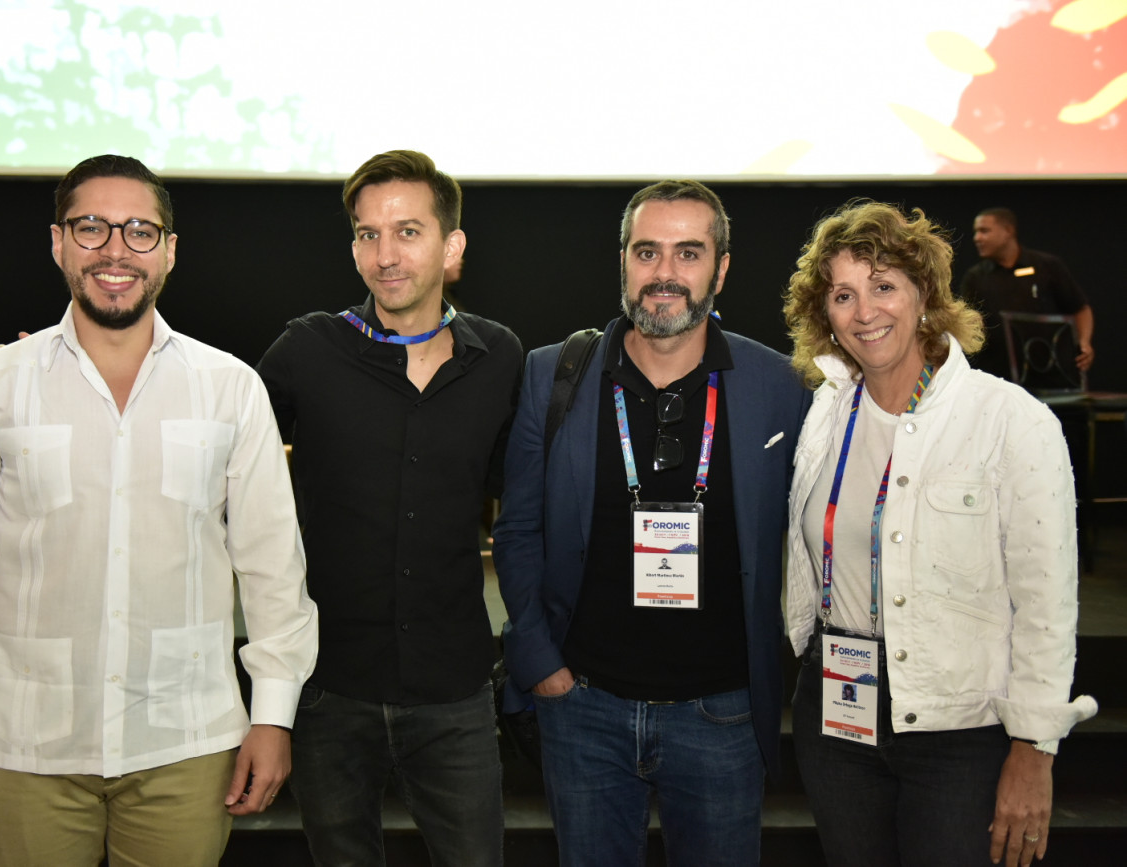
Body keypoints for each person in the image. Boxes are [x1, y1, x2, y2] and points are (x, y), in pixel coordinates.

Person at [0, 155, 318, 866]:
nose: (116, 250)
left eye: (140, 231)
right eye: (92, 227)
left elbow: (274, 566)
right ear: (59, 243)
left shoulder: (231, 389)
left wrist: (273, 715)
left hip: (186, 741)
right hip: (24, 747)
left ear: (169, 251)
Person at [493, 179, 811, 866]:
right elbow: (517, 530)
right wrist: (541, 664)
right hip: (584, 707)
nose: (665, 273)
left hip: (722, 713)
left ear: (721, 269)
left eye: (688, 253)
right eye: (647, 252)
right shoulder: (554, 374)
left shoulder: (779, 386)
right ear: (623, 262)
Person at [783, 201, 1098, 867]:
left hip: (961, 730)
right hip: (837, 710)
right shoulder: (825, 413)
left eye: (883, 285)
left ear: (925, 294)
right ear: (825, 315)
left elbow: (1046, 604)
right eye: (843, 294)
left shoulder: (1009, 420)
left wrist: (1034, 748)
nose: (865, 311)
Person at [257, 150, 522, 866]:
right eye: (367, 234)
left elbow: (525, 501)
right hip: (329, 687)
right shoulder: (307, 349)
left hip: (454, 689)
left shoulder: (499, 357)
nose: (385, 254)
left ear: (452, 247)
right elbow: (207, 439)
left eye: (407, 231)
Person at [959, 207, 1094, 378]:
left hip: (1051, 375)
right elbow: (965, 324)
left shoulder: (1048, 266)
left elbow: (1080, 308)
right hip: (998, 377)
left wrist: (1084, 343)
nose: (977, 238)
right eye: (976, 232)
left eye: (984, 231)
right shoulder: (975, 277)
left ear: (1008, 231)